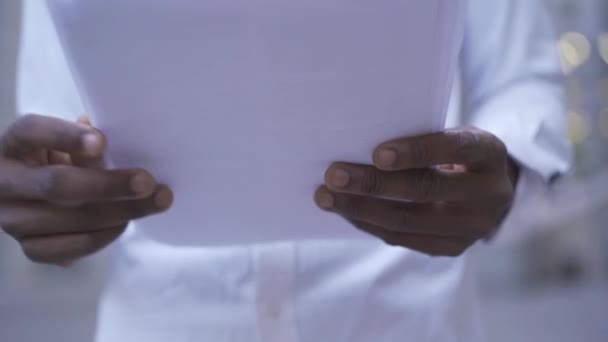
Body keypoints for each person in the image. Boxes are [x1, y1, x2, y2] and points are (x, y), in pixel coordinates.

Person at [2, 0, 570, 341]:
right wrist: (50, 198)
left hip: (407, 323)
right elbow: (58, 128)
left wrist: (508, 172)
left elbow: (522, 85)